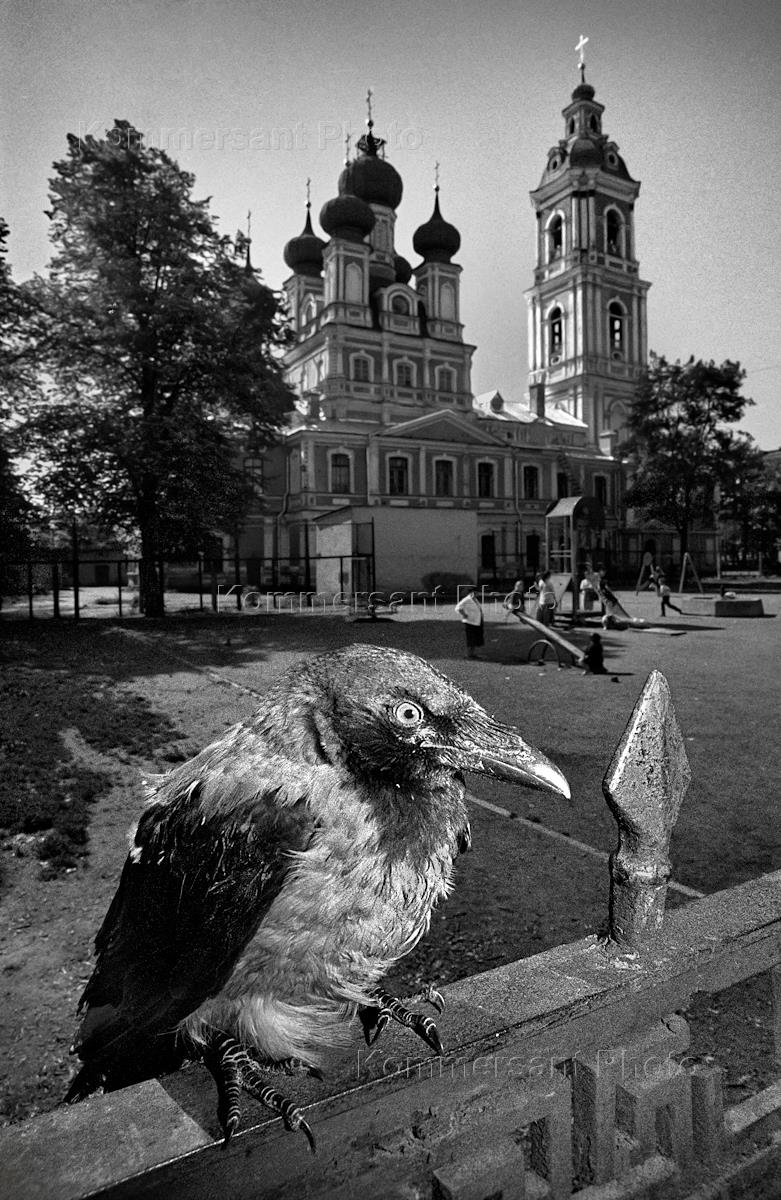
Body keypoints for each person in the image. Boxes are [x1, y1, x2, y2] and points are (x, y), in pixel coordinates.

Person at [454, 585, 484, 659]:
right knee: (471, 638)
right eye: (476, 592)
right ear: (472, 592)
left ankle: (472, 654)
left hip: (476, 621)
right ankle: (468, 654)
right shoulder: (467, 599)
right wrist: (464, 614)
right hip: (470, 622)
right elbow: (458, 607)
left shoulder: (475, 599)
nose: (477, 594)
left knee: (476, 638)